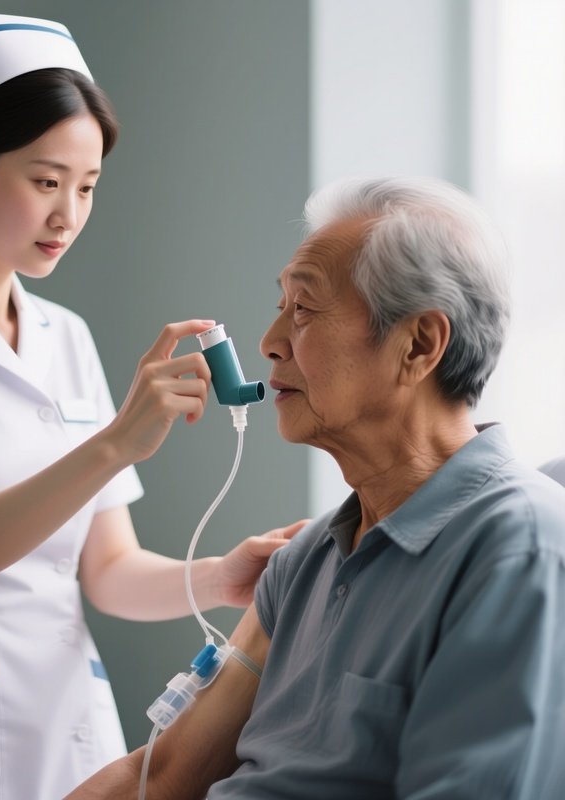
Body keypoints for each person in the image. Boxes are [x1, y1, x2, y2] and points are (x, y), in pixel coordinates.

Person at [0, 14, 302, 800]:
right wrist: (113, 445)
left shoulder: (64, 335)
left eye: (87, 186)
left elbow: (105, 572)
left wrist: (222, 575)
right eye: (45, 182)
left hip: (70, 710)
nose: (68, 215)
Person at [67, 176, 565, 799]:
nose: (270, 343)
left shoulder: (518, 547)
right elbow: (163, 775)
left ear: (419, 344)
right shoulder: (301, 566)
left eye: (302, 310)